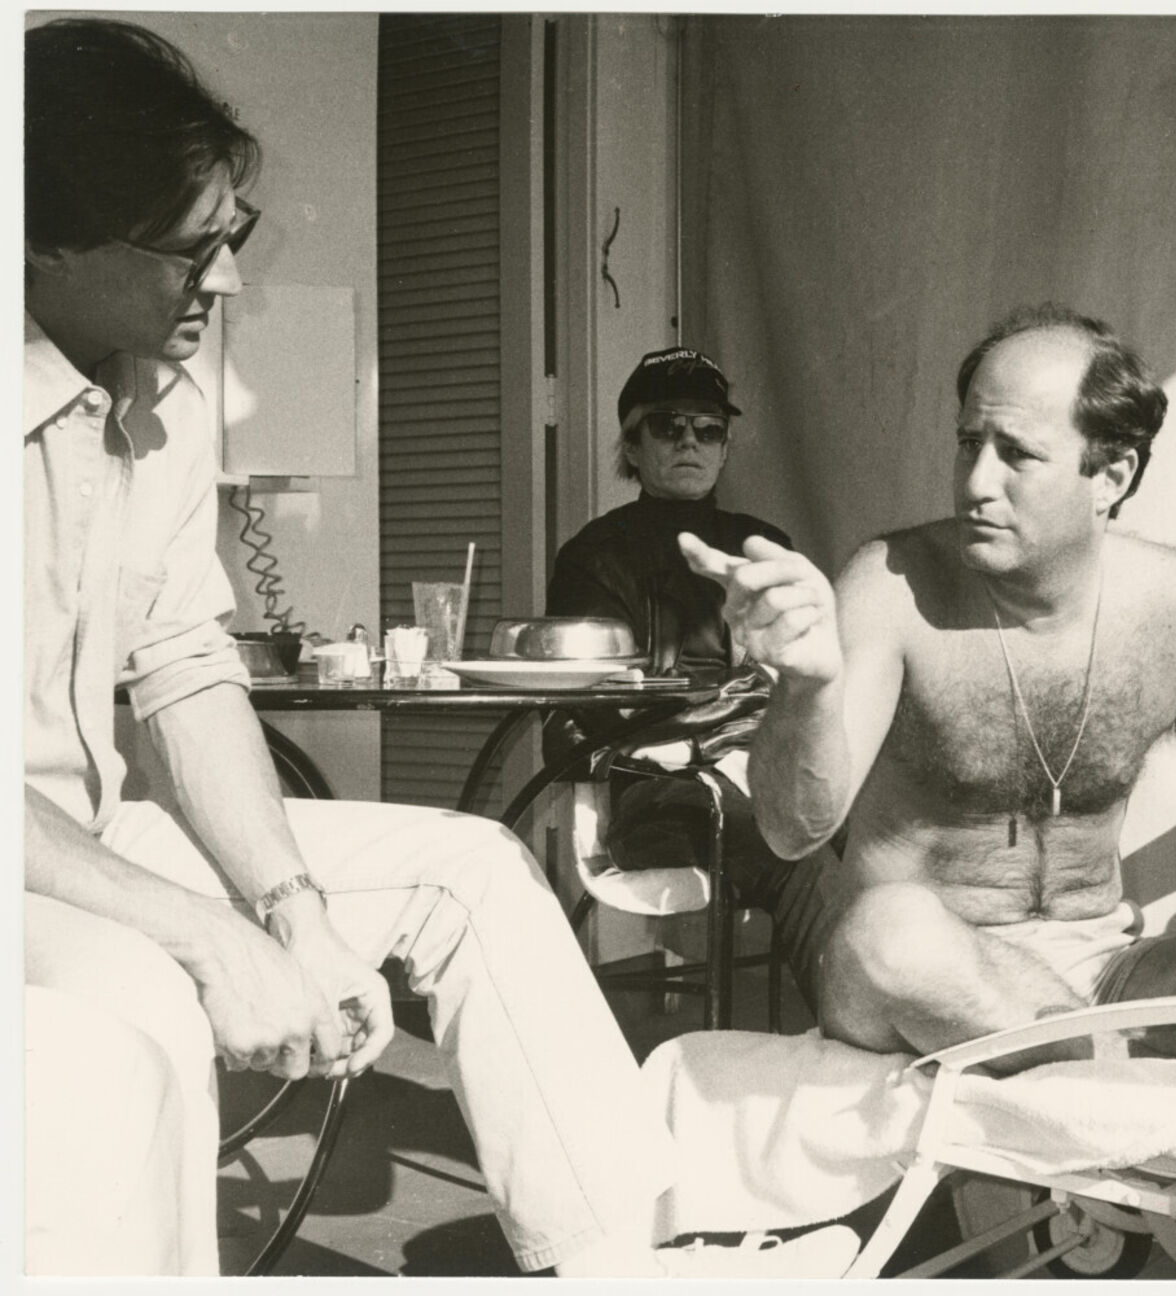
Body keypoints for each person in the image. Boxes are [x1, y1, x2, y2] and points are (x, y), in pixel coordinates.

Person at [22, 18, 854, 1279]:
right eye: (192, 250)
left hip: (82, 835)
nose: (229, 283)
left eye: (232, 236)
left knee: (470, 872)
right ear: (42, 238)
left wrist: (289, 910)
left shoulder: (160, 400)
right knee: (138, 999)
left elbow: (182, 667)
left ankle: (621, 1261)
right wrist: (215, 937)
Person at [682, 303, 1176, 1080]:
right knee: (891, 933)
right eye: (966, 445)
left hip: (1108, 975)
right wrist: (807, 688)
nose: (976, 482)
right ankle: (1149, 1079)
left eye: (1017, 454)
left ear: (1111, 476)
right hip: (928, 969)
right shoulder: (890, 585)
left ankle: (1108, 1067)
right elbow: (790, 828)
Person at [544, 346, 827, 992]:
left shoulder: (764, 545)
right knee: (792, 835)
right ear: (633, 445)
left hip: (763, 765)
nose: (690, 442)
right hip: (653, 794)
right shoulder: (593, 557)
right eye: (668, 427)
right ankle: (855, 1022)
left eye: (708, 430)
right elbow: (591, 709)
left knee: (873, 817)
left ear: (725, 448)